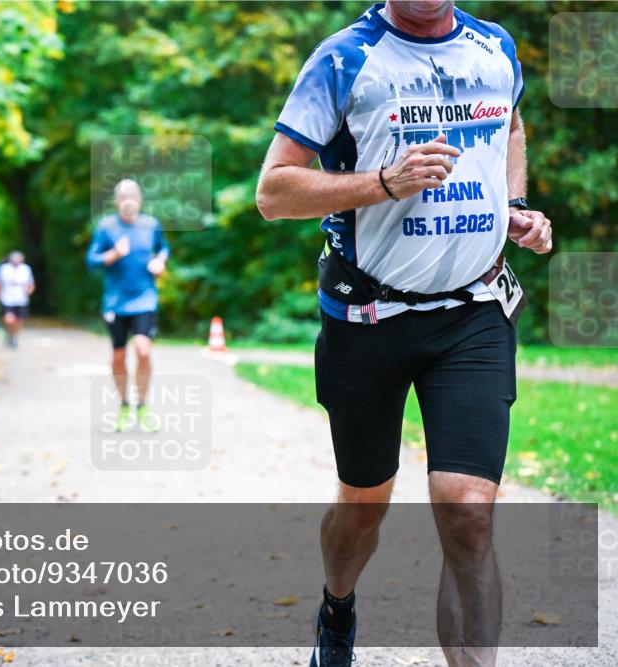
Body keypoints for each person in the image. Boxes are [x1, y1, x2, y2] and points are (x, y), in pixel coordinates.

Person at [255, 2, 552, 666]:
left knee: (468, 511)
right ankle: (338, 606)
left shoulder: (494, 48)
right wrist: (383, 183)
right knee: (362, 508)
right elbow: (273, 192)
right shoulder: (343, 60)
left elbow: (510, 125)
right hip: (367, 321)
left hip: (473, 314)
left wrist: (515, 207)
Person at [86, 179, 169, 432]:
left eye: (133, 195)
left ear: (140, 199)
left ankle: (141, 405)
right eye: (123, 196)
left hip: (145, 299)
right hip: (116, 302)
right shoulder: (106, 227)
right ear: (117, 200)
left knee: (143, 351)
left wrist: (161, 261)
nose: (129, 200)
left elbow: (163, 248)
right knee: (119, 355)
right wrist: (113, 254)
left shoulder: (151, 225)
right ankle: (124, 404)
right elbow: (91, 261)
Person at [0, 251, 35, 348]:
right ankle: (9, 333)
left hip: (21, 299)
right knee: (9, 319)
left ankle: (14, 337)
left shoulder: (26, 269)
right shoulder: (4, 268)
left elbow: (31, 283)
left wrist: (29, 292)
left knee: (19, 320)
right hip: (7, 298)